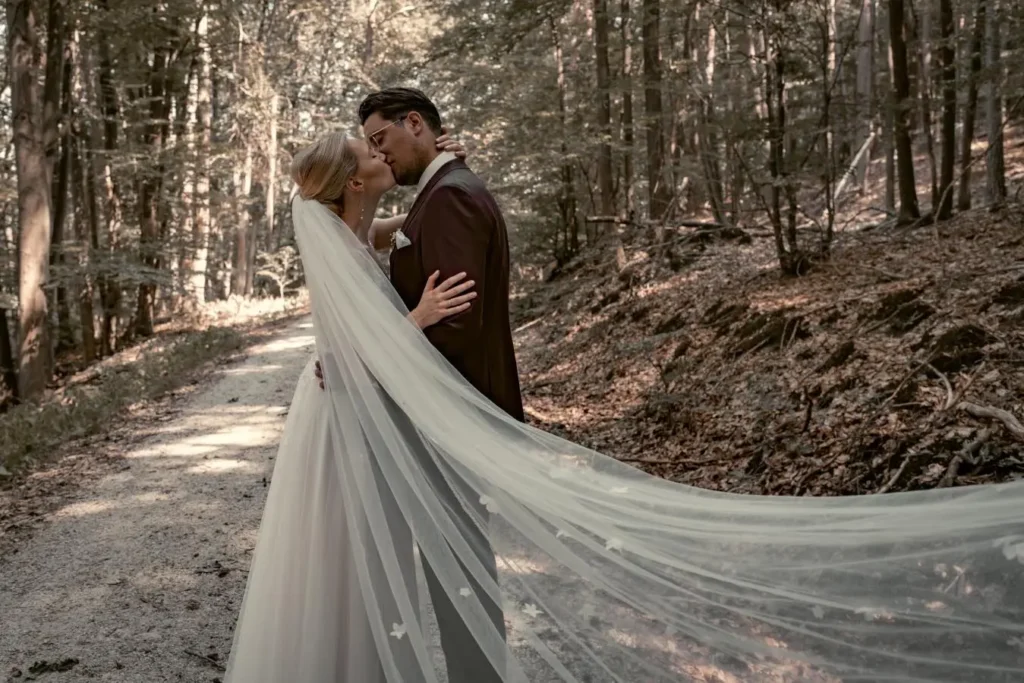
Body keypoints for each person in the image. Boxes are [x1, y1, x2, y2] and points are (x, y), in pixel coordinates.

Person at [226, 91, 1024, 682]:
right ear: (352, 184)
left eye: (380, 140)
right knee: (375, 557)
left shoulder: (442, 199)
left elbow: (449, 313)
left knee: (439, 557)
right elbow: (353, 336)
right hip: (372, 412)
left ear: (415, 128)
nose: (378, 155)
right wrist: (415, 309)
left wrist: (419, 301)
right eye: (364, 152)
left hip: (435, 416)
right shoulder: (381, 217)